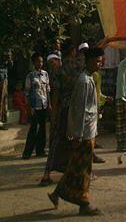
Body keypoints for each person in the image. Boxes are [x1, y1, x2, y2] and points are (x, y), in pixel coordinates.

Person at [48, 47, 104, 217]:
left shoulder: (89, 78)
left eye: (101, 60)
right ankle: (84, 203)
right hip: (84, 134)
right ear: (88, 61)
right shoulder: (84, 81)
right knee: (83, 170)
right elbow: (78, 110)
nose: (99, 63)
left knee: (75, 168)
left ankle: (57, 193)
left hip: (88, 132)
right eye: (97, 60)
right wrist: (77, 134)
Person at [40, 43, 80, 186]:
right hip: (72, 111)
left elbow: (56, 96)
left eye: (53, 62)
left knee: (58, 143)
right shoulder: (75, 67)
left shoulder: (60, 72)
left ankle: (50, 174)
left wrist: (54, 115)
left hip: (65, 110)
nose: (51, 65)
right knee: (71, 142)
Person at [22, 53, 51, 159]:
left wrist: (50, 104)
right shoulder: (30, 76)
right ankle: (27, 153)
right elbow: (27, 93)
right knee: (34, 129)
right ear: (34, 63)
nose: (40, 63)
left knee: (43, 129)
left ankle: (40, 151)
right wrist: (29, 107)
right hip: (35, 106)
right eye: (38, 61)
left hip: (44, 105)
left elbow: (48, 90)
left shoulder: (45, 74)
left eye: (42, 61)